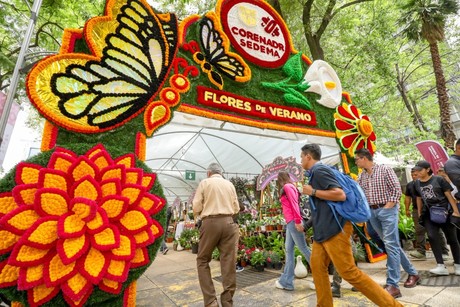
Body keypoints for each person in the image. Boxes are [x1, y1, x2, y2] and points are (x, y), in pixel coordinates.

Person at [301, 144, 403, 306]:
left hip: (335, 229)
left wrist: (312, 192)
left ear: (308, 156)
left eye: (301, 157)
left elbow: (339, 195)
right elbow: (323, 206)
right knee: (317, 267)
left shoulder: (320, 171)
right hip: (323, 230)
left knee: (349, 272)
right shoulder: (315, 174)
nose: (301, 161)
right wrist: (308, 225)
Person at [354, 148, 419, 298]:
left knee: (390, 244)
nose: (356, 162)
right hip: (372, 212)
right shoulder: (362, 176)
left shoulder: (384, 169)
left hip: (387, 210)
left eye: (357, 159)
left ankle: (393, 284)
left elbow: (396, 190)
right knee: (392, 244)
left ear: (364, 158)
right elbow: (360, 195)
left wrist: (387, 207)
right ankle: (413, 274)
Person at [192, 163, 240, 307]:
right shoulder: (229, 184)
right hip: (229, 223)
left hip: (210, 223)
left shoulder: (205, 183)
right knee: (228, 262)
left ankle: (211, 301)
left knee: (202, 260)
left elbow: (196, 206)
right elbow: (236, 207)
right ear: (220, 172)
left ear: (209, 173)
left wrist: (199, 215)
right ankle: (227, 301)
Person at [412, 160, 460, 276]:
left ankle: (458, 264)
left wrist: (456, 211)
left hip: (445, 212)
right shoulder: (416, 183)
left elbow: (449, 196)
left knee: (452, 238)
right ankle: (440, 265)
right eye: (416, 170)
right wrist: (419, 212)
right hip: (429, 214)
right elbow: (419, 198)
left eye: (420, 170)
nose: (417, 172)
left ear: (428, 169)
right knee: (432, 237)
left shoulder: (439, 180)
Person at [274, 171, 312, 291]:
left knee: (303, 248)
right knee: (288, 250)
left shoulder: (287, 187)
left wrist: (297, 221)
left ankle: (321, 276)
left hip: (293, 221)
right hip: (290, 222)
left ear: (280, 179)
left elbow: (294, 204)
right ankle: (286, 282)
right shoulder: (292, 186)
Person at [405, 168, 450, 260]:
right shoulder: (410, 185)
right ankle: (421, 251)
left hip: (433, 209)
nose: (414, 176)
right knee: (419, 230)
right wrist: (407, 209)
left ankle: (444, 251)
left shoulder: (433, 181)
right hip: (417, 210)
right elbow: (408, 198)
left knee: (438, 231)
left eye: (416, 174)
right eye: (412, 174)